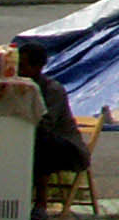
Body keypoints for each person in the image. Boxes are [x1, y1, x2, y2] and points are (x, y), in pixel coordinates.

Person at [15, 40, 90, 210]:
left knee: (41, 143)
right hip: (45, 143)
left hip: (68, 149)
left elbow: (45, 124)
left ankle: (40, 203)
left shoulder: (52, 90)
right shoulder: (22, 87)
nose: (19, 71)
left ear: (37, 68)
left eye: (23, 66)